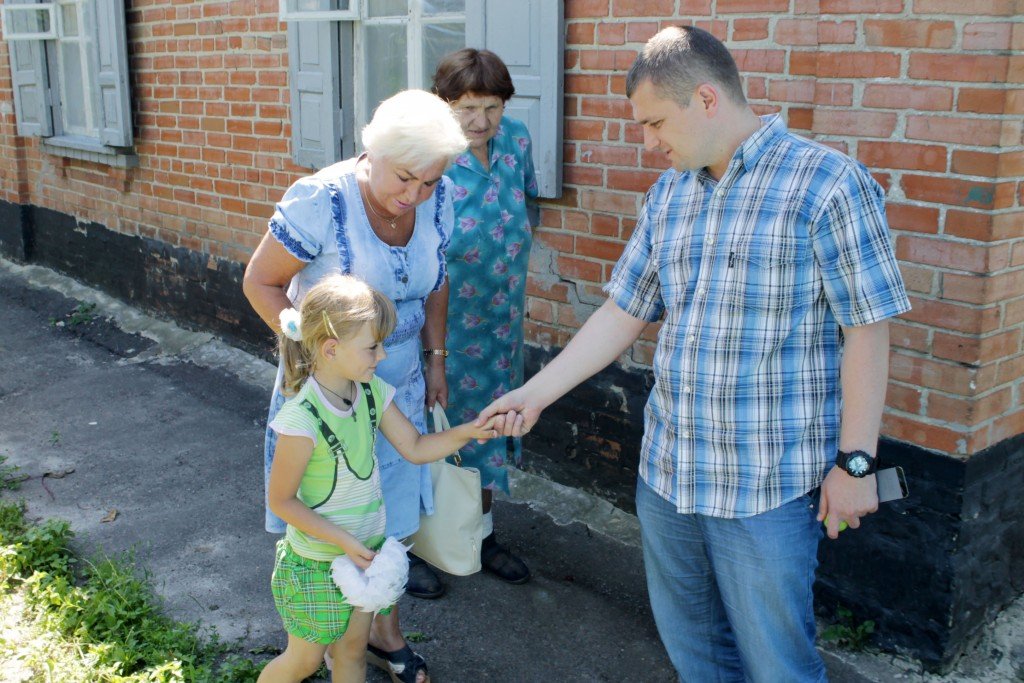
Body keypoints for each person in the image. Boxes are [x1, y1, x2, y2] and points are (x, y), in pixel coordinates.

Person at [478, 26, 911, 682]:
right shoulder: (669, 196)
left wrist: (855, 463)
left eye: (654, 122)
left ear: (706, 99)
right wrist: (535, 393)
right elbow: (624, 310)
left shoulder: (827, 185)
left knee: (779, 666)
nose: (648, 142)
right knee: (695, 653)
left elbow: (867, 332)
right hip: (668, 474)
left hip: (766, 485)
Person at [243, 89, 467, 683]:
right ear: (373, 151)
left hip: (397, 390)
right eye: (403, 178)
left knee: (385, 522)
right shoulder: (321, 199)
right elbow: (261, 283)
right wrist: (316, 354)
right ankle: (314, 632)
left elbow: (437, 280)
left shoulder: (439, 198)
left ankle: (376, 637)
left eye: (428, 181)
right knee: (329, 513)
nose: (414, 195)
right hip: (331, 394)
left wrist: (435, 359)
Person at [257, 275, 499, 683]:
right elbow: (282, 501)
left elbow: (416, 447)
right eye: (373, 346)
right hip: (317, 567)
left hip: (362, 556)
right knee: (304, 661)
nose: (383, 356)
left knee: (352, 653)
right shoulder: (301, 420)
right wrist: (344, 542)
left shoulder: (371, 392)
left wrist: (471, 431)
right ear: (331, 349)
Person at [429, 48, 538, 586]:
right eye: (466, 108)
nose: (480, 122)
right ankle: (409, 542)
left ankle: (480, 535)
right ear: (443, 106)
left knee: (492, 427)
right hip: (444, 324)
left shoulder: (516, 139)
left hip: (502, 321)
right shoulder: (430, 155)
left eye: (491, 107)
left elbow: (527, 206)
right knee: (434, 428)